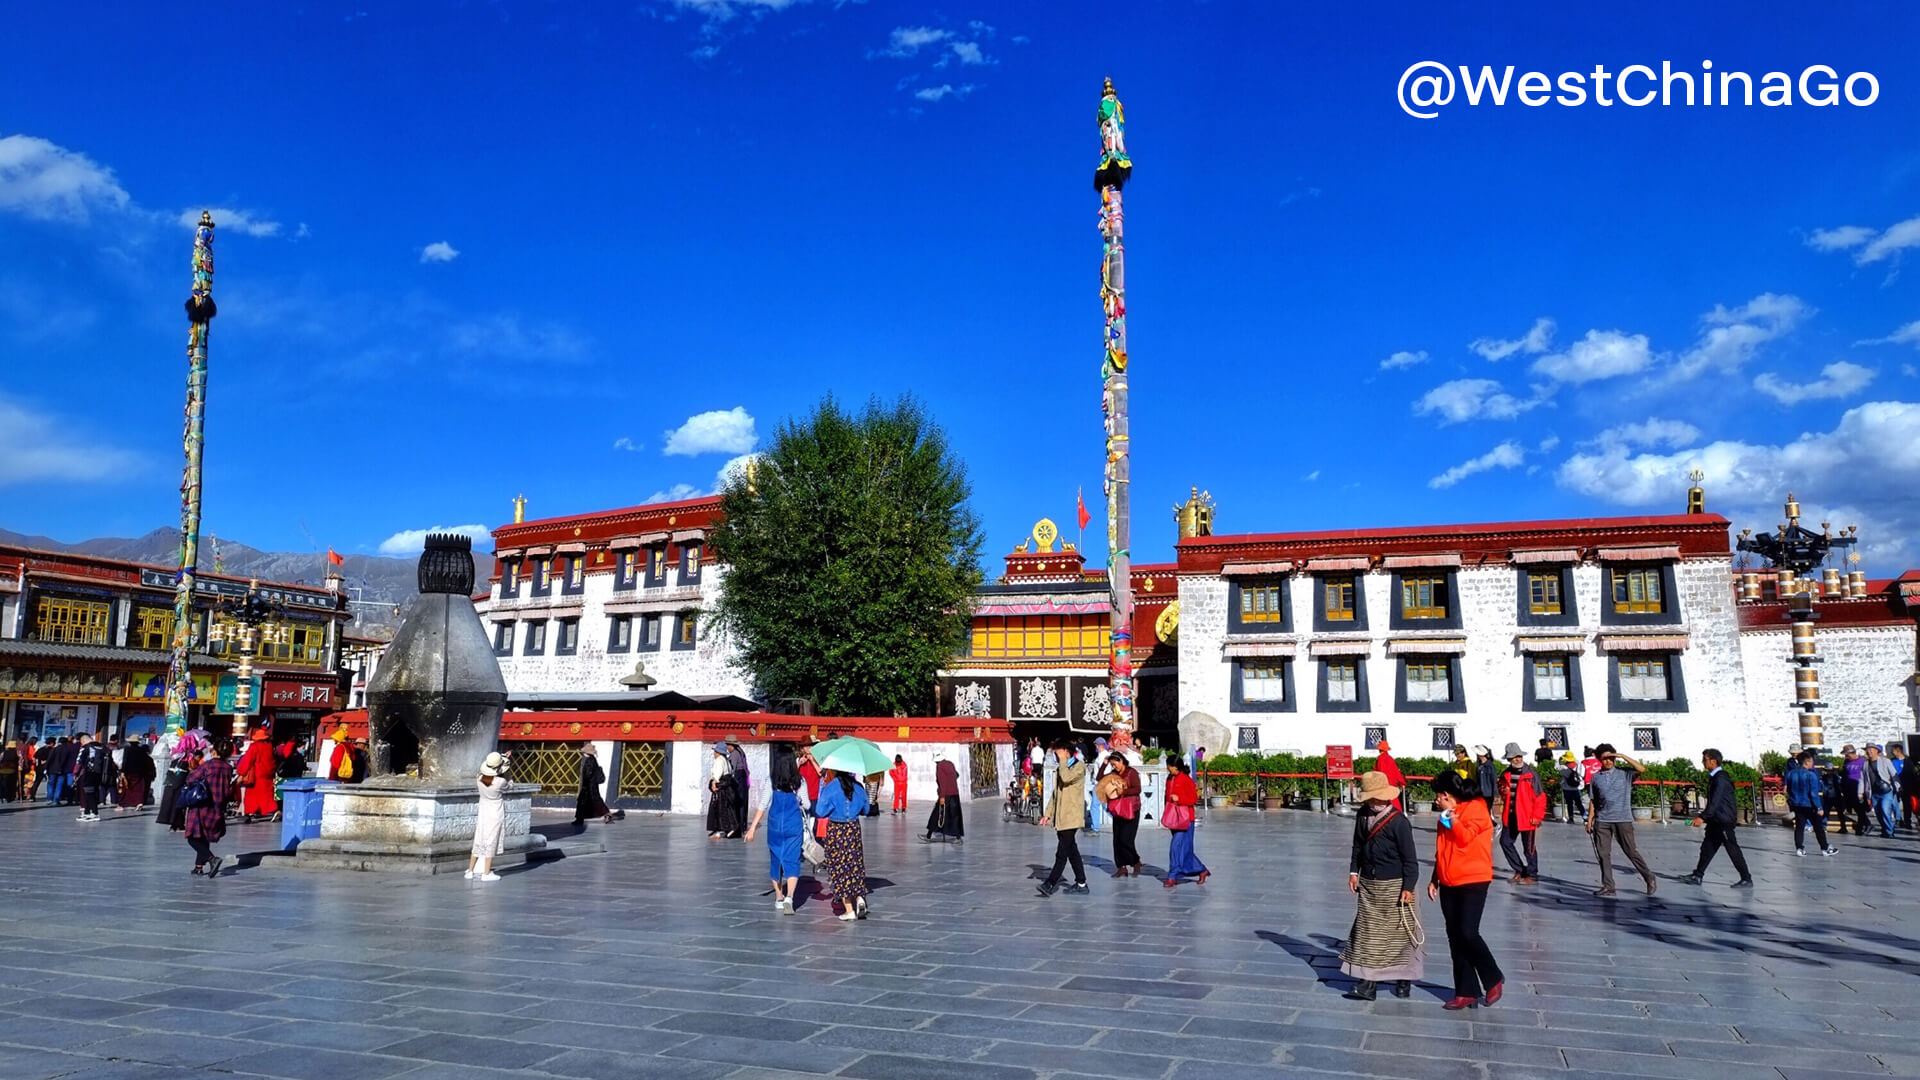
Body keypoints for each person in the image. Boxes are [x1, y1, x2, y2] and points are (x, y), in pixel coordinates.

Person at [1342, 771, 1422, 1002]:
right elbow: (1357, 846)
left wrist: (1408, 887)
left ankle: (1404, 979)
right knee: (1368, 934)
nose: (1376, 802)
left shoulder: (1399, 822)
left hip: (1396, 885)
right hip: (1369, 885)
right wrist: (1353, 872)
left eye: (1379, 798)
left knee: (1401, 935)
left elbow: (1410, 860)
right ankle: (1368, 984)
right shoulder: (1363, 816)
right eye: (1372, 798)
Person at [1429, 770, 1503, 1010]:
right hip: (1449, 880)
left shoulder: (1476, 809)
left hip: (1473, 879)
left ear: (1447, 795)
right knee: (1455, 937)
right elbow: (1442, 848)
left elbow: (1464, 838)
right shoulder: (1447, 814)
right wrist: (1435, 877)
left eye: (1439, 796)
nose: (1436, 801)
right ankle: (1466, 990)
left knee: (1468, 932)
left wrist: (1452, 819)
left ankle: (1493, 977)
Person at [1584, 743, 1656, 895]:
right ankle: (1608, 885)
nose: (1608, 761)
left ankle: (1649, 877)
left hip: (1622, 819)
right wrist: (1590, 819)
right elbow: (1593, 800)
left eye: (1611, 758)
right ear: (1599, 760)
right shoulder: (1596, 778)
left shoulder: (1625, 773)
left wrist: (1623, 756)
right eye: (1605, 759)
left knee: (1630, 850)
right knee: (1603, 853)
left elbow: (1642, 769)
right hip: (1603, 819)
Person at [744, 745, 808, 914]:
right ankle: (790, 897)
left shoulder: (771, 781)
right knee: (793, 860)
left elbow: (763, 805)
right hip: (793, 826)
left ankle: (779, 897)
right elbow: (807, 804)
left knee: (776, 860)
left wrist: (752, 828)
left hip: (774, 826)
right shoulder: (799, 782)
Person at [1683, 748, 1753, 888]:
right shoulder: (1716, 777)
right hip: (1716, 820)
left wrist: (1702, 817)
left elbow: (1715, 801)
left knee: (1732, 848)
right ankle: (1698, 874)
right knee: (1708, 847)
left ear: (1713, 761)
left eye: (1705, 760)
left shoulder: (1720, 778)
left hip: (1723, 820)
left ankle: (1746, 878)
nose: (1703, 762)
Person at [814, 767, 871, 921]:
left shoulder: (830, 787)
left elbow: (820, 811)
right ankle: (859, 898)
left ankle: (849, 909)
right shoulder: (858, 787)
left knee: (840, 868)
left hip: (837, 831)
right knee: (855, 864)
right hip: (853, 830)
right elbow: (866, 810)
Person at [1037, 742, 1091, 897]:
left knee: (1061, 853)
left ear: (1067, 753)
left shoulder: (1079, 767)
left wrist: (1062, 761)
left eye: (1059, 754)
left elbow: (1067, 779)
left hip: (1071, 816)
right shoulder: (1061, 769)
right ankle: (1081, 883)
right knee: (1071, 851)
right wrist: (1047, 813)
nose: (1057, 757)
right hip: (1061, 816)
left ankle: (1050, 884)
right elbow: (1056, 794)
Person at [182, 739, 234, 878]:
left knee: (192, 837)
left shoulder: (208, 765)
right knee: (203, 837)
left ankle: (212, 859)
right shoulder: (228, 767)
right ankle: (198, 867)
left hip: (202, 805)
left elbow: (191, 779)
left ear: (214, 751)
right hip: (217, 806)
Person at [1497, 743, 1545, 884]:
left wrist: (1537, 816)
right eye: (1513, 757)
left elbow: (1540, 797)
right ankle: (1519, 870)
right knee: (1505, 842)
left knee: (1528, 848)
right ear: (1509, 759)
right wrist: (1503, 792)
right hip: (1510, 815)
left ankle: (1532, 874)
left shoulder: (1530, 774)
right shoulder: (1505, 774)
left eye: (1518, 756)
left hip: (1527, 817)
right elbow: (1502, 791)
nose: (1517, 760)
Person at [1163, 757, 1209, 888]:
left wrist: (1180, 798)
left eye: (1169, 766)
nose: (1168, 768)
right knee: (1184, 849)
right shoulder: (1169, 779)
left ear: (1175, 766)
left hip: (1186, 818)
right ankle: (1201, 869)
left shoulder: (1186, 780)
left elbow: (1193, 799)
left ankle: (1172, 876)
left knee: (1176, 847)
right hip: (1174, 817)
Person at [1785, 750, 1838, 857]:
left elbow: (1788, 790)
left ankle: (1799, 848)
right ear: (1807, 762)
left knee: (1799, 826)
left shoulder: (1791, 774)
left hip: (1797, 804)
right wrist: (1819, 807)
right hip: (1809, 804)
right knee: (1818, 827)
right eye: (1811, 761)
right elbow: (1813, 793)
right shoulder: (1811, 775)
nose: (1812, 764)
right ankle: (1824, 847)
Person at [467, 751, 510, 882]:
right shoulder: (500, 782)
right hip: (495, 811)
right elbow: (509, 785)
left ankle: (470, 870)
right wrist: (507, 768)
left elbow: (490, 777)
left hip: (483, 810)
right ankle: (486, 873)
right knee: (491, 840)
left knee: (479, 838)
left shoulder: (480, 778)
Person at [1101, 751, 1143, 877]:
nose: (1114, 767)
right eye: (1112, 765)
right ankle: (1121, 866)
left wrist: (1123, 791)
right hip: (1117, 809)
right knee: (1117, 840)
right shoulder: (1113, 774)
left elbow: (1137, 789)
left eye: (1115, 764)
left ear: (1121, 761)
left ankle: (1135, 861)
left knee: (1126, 840)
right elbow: (1100, 779)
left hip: (1131, 809)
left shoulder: (1131, 772)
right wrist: (1104, 765)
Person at [233, 730, 279, 824]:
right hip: (267, 775)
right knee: (266, 795)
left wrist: (241, 772)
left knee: (251, 796)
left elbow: (248, 760)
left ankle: (249, 813)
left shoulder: (254, 746)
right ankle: (269, 811)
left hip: (256, 775)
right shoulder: (269, 746)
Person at [924, 750, 964, 843]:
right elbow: (956, 775)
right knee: (955, 816)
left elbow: (942, 782)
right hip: (955, 794)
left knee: (936, 815)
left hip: (945, 795)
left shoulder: (940, 766)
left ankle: (928, 836)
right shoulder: (950, 763)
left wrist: (941, 796)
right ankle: (958, 837)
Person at [706, 744, 743, 839]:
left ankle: (729, 828)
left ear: (718, 752)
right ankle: (722, 830)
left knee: (720, 809)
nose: (714, 753)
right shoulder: (726, 760)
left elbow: (717, 774)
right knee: (726, 808)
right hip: (728, 787)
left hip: (722, 788)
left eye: (715, 751)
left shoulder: (719, 760)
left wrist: (714, 783)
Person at [1863, 744, 1899, 839]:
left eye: (1871, 750)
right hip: (1874, 792)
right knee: (1878, 813)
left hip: (1886, 791)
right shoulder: (1866, 764)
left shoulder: (1885, 761)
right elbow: (1863, 779)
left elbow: (1894, 774)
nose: (1869, 752)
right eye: (1867, 750)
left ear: (1876, 751)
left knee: (1885, 810)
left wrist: (1897, 786)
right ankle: (1885, 829)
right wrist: (1864, 793)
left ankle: (1889, 831)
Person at [72, 733, 109, 822]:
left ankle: (95, 813)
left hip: (89, 772)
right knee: (92, 792)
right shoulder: (102, 747)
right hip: (100, 773)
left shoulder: (85, 748)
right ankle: (87, 812)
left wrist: (75, 774)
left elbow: (79, 762)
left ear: (83, 740)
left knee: (89, 793)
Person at [575, 743, 613, 826]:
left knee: (588, 801)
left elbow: (588, 774)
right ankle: (579, 818)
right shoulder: (592, 760)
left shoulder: (590, 761)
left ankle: (579, 819)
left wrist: (585, 783)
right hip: (590, 785)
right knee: (593, 801)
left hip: (589, 786)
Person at [1837, 745, 1868, 836]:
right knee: (1853, 808)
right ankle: (1864, 824)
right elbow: (1845, 773)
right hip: (1848, 788)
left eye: (1847, 754)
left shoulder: (1862, 761)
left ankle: (1862, 826)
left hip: (1858, 787)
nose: (1846, 757)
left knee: (1860, 809)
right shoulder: (1847, 762)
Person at [118, 736, 155, 812]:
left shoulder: (127, 749)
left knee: (127, 788)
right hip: (140, 772)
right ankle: (139, 802)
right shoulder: (141, 751)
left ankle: (125, 803)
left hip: (129, 771)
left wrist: (122, 771)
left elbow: (125, 761)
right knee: (138, 788)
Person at [1373, 740, 1405, 812]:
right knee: (1394, 802)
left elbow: (1377, 772)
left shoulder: (1380, 759)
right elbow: (1396, 772)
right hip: (1392, 785)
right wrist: (1402, 782)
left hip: (1383, 784)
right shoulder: (1390, 758)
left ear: (1380, 749)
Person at [1557, 752, 1585, 823]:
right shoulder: (1579, 765)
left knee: (1569, 804)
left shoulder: (1564, 768)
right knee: (1579, 803)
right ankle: (1584, 816)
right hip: (1577, 788)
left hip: (1567, 788)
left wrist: (1559, 760)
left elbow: (1557, 769)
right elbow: (1582, 775)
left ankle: (1571, 818)